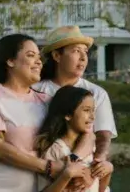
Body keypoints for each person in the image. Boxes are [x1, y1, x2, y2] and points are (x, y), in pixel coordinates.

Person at [0, 34, 93, 192]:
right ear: (10, 61)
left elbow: (88, 133)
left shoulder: (47, 100)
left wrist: (76, 164)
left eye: (39, 57)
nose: (39, 61)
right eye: (30, 55)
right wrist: (48, 167)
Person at [33, 26, 118, 164]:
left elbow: (103, 134)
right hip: (43, 166)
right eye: (76, 51)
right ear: (57, 56)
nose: (83, 58)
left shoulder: (97, 93)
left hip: (85, 167)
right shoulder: (35, 90)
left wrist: (99, 161)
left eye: (85, 52)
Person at [36, 86, 114, 192]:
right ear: (68, 115)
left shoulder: (92, 147)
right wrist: (66, 176)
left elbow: (100, 189)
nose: (93, 117)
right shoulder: (54, 150)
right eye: (86, 110)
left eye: (93, 111)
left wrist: (108, 171)